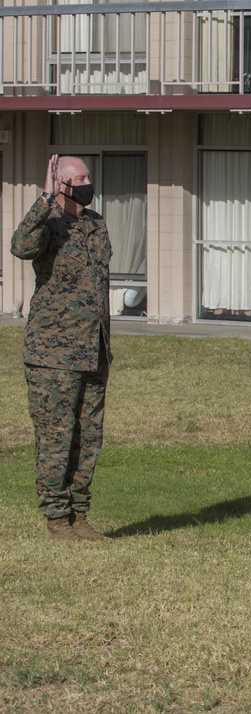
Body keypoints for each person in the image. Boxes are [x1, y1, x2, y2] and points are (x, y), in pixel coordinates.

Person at [10, 154, 112, 542]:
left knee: (88, 436)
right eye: (80, 177)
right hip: (53, 351)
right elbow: (20, 247)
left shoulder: (96, 223)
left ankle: (79, 515)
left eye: (89, 174)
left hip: (93, 349)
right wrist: (45, 199)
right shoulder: (49, 221)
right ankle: (56, 518)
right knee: (56, 435)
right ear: (62, 183)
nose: (88, 182)